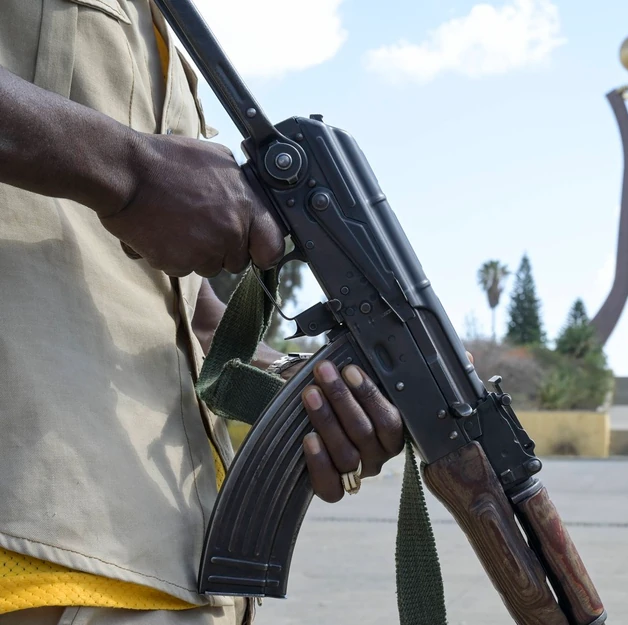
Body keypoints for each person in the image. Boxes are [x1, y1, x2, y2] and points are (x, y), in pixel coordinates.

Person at [0, 5, 420, 624]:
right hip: (37, 542)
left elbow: (179, 310)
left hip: (178, 563)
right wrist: (134, 173)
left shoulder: (161, 25)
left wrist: (312, 386)